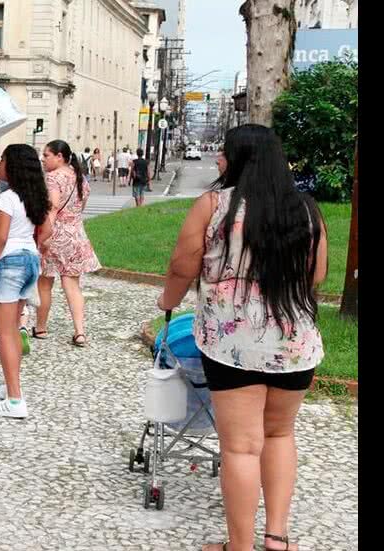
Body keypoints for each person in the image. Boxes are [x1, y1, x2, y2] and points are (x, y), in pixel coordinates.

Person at [157, 125, 327, 551]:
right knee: (280, 435)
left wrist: (167, 301)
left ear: (239, 160)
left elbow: (182, 267)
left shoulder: (214, 205)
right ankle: (277, 536)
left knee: (241, 448)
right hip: (294, 344)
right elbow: (317, 275)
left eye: (224, 153)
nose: (218, 160)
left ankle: (239, 546)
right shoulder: (306, 209)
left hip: (232, 345)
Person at [0, 144, 52, 419]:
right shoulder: (32, 197)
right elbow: (45, 231)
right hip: (30, 261)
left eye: (2, 159)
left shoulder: (6, 199)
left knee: (5, 334)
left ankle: (14, 399)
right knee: (13, 330)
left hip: (9, 263)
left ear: (13, 166)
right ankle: (11, 386)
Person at [33, 140, 101, 347]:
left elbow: (53, 206)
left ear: (59, 156)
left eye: (46, 155)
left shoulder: (53, 177)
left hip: (55, 233)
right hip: (76, 234)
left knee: (45, 283)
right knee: (72, 284)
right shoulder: (80, 177)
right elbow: (82, 206)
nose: (43, 159)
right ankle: (80, 332)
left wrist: (45, 236)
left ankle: (41, 327)